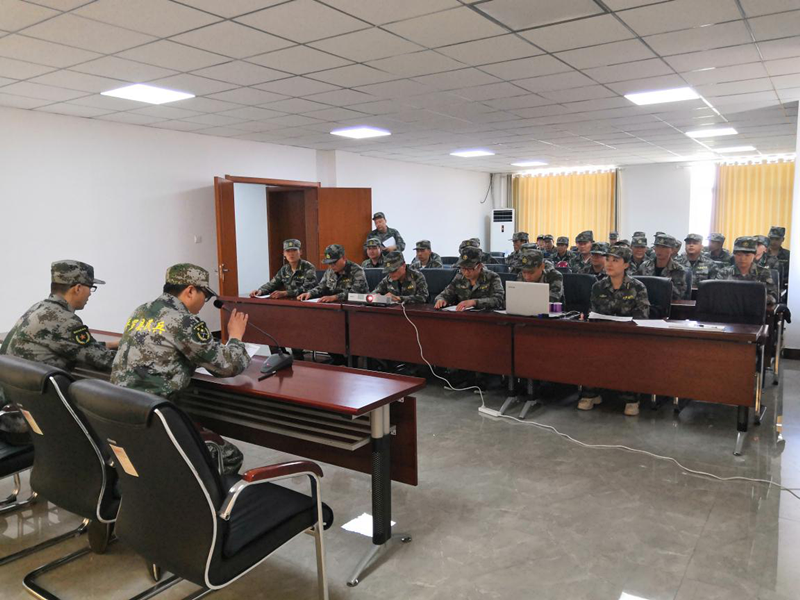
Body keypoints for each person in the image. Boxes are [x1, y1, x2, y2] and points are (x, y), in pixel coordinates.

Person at [111, 263, 250, 474]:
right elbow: (228, 366)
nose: (204, 302)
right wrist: (236, 337)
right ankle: (198, 494)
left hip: (120, 415)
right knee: (229, 456)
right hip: (153, 420)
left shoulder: (141, 310)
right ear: (190, 290)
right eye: (205, 295)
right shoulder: (183, 320)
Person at [1, 260, 118, 370]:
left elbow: (73, 345)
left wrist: (111, 344)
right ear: (78, 288)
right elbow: (106, 360)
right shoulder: (66, 321)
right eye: (91, 287)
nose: (90, 294)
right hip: (41, 385)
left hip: (12, 383)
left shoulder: (38, 307)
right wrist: (128, 347)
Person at [578, 246, 650, 416]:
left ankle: (631, 398)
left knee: (629, 353)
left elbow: (642, 316)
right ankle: (590, 393)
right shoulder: (598, 286)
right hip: (603, 335)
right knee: (588, 349)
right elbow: (593, 313)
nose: (609, 264)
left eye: (615, 261)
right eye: (608, 260)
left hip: (628, 336)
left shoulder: (637, 287)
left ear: (626, 265)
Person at [434, 247, 505, 311]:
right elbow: (444, 294)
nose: (466, 272)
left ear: (480, 266)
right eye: (463, 268)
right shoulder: (459, 277)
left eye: (470, 268)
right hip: (464, 317)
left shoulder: (492, 277)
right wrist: (441, 300)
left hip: (486, 317)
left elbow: (498, 300)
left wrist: (474, 302)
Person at [715, 236, 778, 305]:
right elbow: (716, 294)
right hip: (729, 308)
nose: (742, 258)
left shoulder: (763, 272)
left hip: (755, 308)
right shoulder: (724, 272)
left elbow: (773, 295)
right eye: (739, 255)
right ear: (734, 255)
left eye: (747, 255)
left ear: (754, 255)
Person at [299, 244, 368, 303]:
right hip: (335, 306)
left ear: (344, 258)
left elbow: (355, 293)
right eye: (329, 263)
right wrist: (310, 293)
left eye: (334, 262)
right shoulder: (330, 271)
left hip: (357, 307)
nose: (331, 266)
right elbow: (321, 287)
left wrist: (335, 297)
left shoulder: (357, 271)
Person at [248, 238, 316, 299]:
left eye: (294, 250)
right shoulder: (284, 269)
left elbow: (308, 288)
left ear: (300, 252)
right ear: (284, 253)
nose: (291, 254)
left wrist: (286, 293)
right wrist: (260, 291)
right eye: (288, 251)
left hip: (304, 301)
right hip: (289, 301)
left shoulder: (308, 267)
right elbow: (272, 284)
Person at [637, 234, 687, 300]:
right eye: (657, 246)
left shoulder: (678, 269)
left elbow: (678, 295)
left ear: (672, 250)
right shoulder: (644, 266)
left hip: (668, 303)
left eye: (664, 247)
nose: (659, 250)